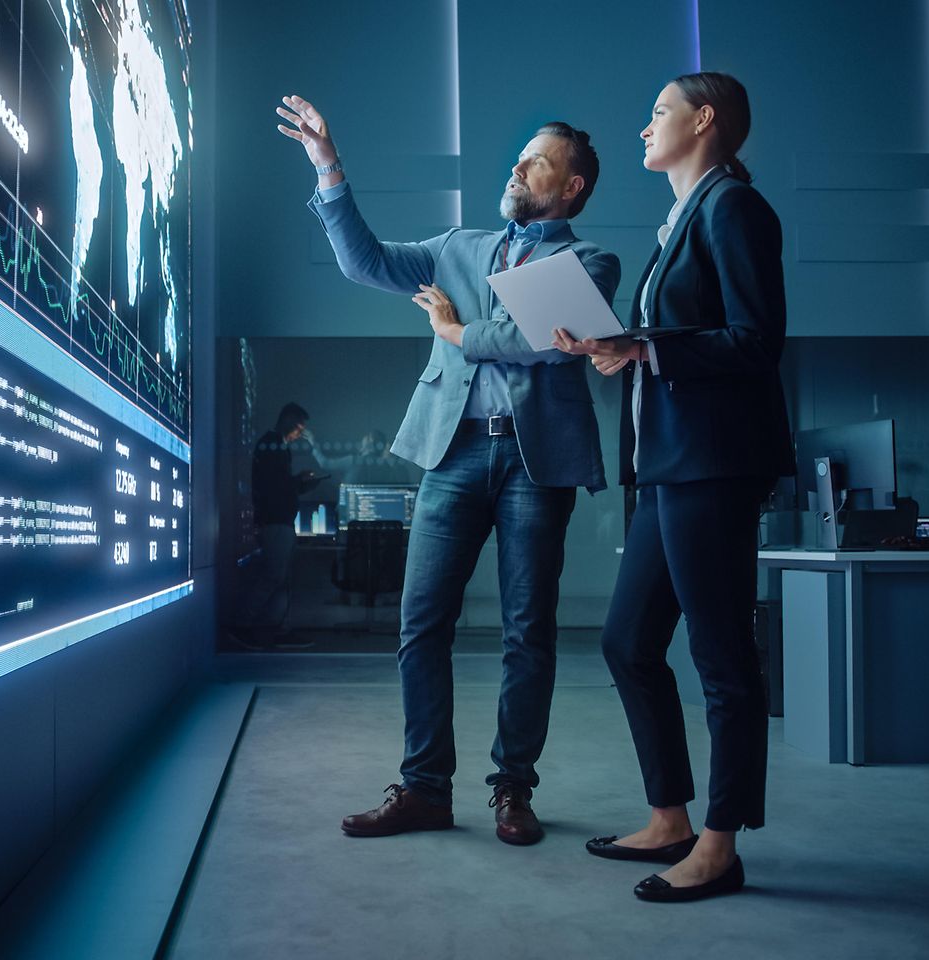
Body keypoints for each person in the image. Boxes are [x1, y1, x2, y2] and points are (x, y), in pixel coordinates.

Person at [277, 95, 620, 845]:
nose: (517, 164)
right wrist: (328, 167)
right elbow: (363, 262)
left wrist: (455, 331)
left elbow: (535, 339)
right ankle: (425, 787)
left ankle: (512, 791)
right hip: (452, 450)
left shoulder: (591, 262)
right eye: (519, 154)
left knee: (528, 632)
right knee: (419, 623)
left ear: (572, 188)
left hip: (537, 465)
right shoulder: (457, 248)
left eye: (536, 159)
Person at [554, 72, 793, 902]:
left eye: (658, 112)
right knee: (626, 643)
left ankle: (720, 846)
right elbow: (683, 338)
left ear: (705, 120)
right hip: (666, 465)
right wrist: (624, 347)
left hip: (712, 466)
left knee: (723, 658)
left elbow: (756, 341)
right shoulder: (683, 220)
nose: (643, 127)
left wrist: (648, 348)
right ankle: (670, 817)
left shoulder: (733, 209)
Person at [237, 402, 321, 644]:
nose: (299, 434)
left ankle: (275, 628)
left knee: (280, 578)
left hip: (279, 521)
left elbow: (279, 486)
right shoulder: (272, 445)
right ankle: (243, 624)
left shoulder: (277, 447)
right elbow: (276, 486)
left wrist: (299, 483)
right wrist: (299, 482)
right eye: (298, 427)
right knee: (273, 577)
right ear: (287, 421)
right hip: (274, 521)